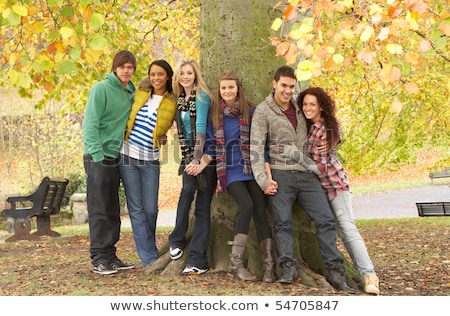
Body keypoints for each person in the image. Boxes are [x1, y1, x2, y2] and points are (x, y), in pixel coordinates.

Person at [250, 65, 355, 293]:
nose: (288, 91)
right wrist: (263, 180)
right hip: (280, 174)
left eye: (291, 86)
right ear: (274, 83)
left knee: (326, 220)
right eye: (284, 86)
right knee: (282, 222)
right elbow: (256, 147)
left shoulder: (300, 104)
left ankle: (336, 273)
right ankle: (288, 267)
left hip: (308, 174)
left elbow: (324, 115)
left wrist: (334, 136)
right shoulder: (263, 111)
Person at [281, 87, 380, 295]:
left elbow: (320, 168)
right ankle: (364, 273)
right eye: (305, 104)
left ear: (321, 107)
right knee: (338, 229)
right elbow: (295, 96)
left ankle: (370, 276)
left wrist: (295, 155)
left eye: (312, 105)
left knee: (347, 229)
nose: (307, 107)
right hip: (319, 189)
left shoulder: (325, 128)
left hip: (335, 186)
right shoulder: (310, 125)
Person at [202, 70, 277, 282]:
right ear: (219, 90)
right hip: (231, 171)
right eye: (223, 88)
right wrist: (206, 167)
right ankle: (235, 264)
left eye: (231, 87)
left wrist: (266, 174)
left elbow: (259, 143)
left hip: (251, 168)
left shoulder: (250, 111)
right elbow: (211, 145)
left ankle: (269, 267)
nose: (227, 91)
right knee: (247, 205)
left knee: (261, 212)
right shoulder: (214, 114)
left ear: (238, 88)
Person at [82, 50, 137, 275]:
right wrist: (96, 156)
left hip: (116, 156)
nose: (126, 70)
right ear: (115, 68)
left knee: (113, 208)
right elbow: (90, 124)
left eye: (130, 67)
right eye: (123, 66)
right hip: (98, 157)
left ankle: (111, 255)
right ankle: (98, 258)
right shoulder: (100, 89)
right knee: (99, 209)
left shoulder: (130, 92)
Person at [118, 60, 177, 268]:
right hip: (128, 156)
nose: (156, 78)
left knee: (150, 209)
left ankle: (148, 249)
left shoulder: (173, 101)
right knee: (136, 209)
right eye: (153, 74)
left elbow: (171, 127)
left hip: (150, 160)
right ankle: (149, 258)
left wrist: (163, 138)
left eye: (160, 74)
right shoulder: (140, 93)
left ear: (168, 76)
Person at [168, 57, 217, 275]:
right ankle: (176, 239)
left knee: (202, 206)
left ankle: (198, 260)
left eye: (189, 72)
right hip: (189, 156)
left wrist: (197, 161)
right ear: (178, 76)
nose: (186, 76)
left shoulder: (202, 97)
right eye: (182, 73)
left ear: (195, 74)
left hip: (205, 156)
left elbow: (200, 131)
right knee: (187, 192)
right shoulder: (179, 100)